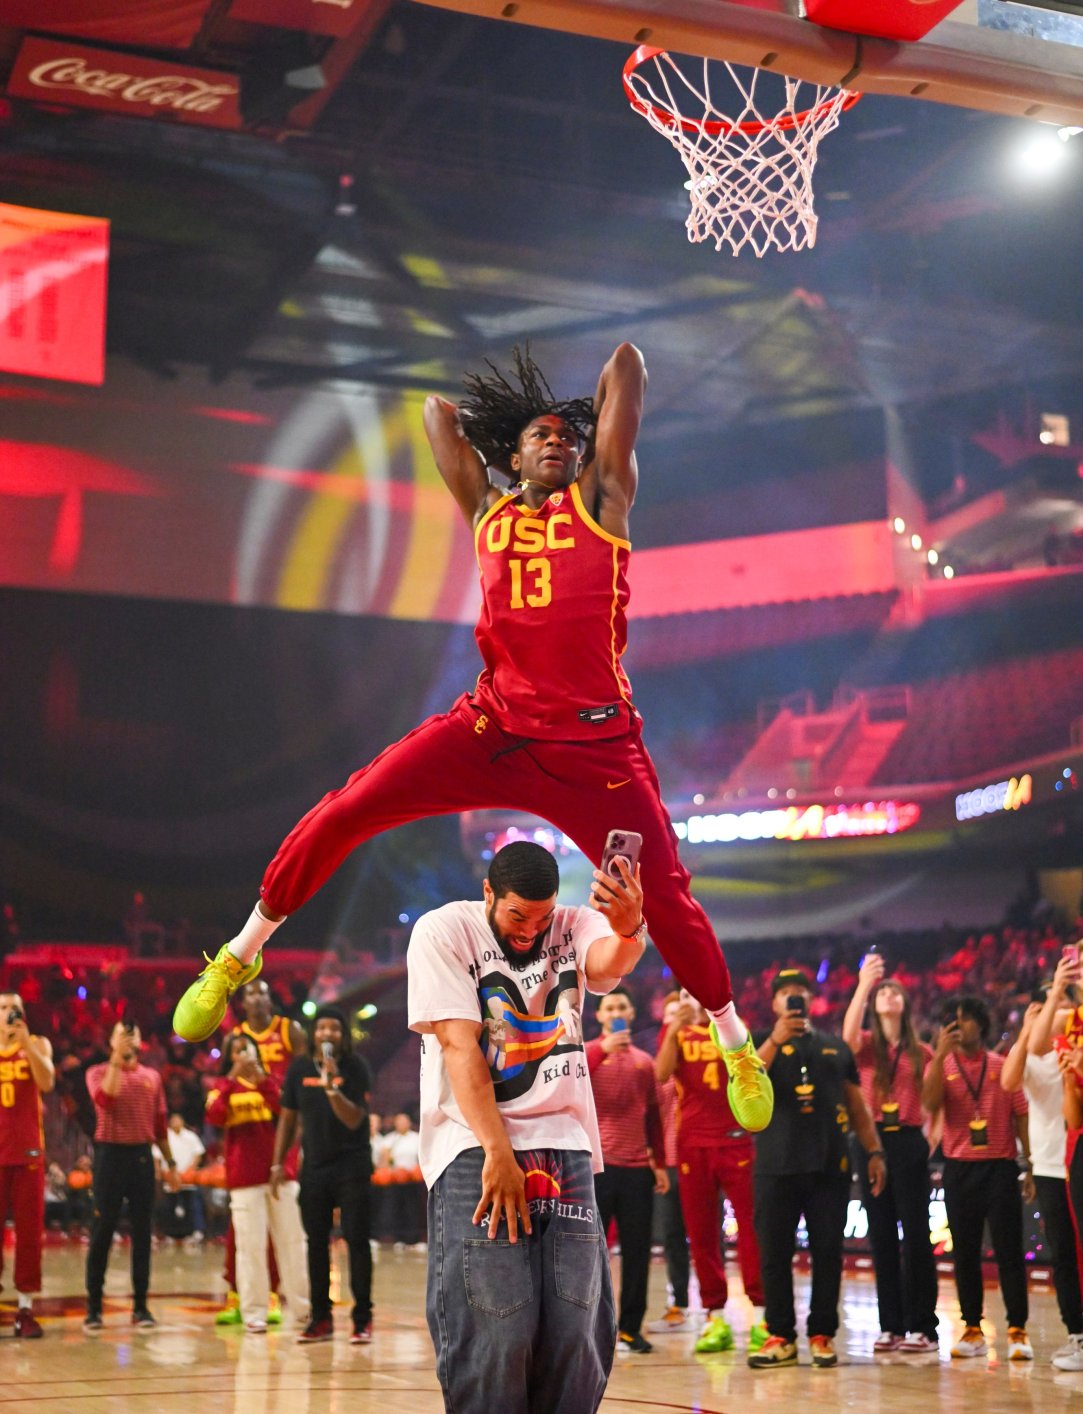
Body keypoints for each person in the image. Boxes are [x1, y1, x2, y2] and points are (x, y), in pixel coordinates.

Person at [172, 344, 771, 1136]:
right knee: (350, 807)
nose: (557, 441)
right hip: (489, 728)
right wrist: (510, 435)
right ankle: (239, 952)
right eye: (540, 436)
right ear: (512, 457)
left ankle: (734, 1045)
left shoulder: (604, 497)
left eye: (567, 436)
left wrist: (576, 425)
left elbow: (626, 365)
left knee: (663, 894)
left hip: (592, 750)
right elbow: (436, 416)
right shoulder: (487, 509)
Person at [407, 838, 649, 1413]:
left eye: (542, 918)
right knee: (496, 1329)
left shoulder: (572, 923)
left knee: (577, 1331)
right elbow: (459, 1048)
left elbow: (610, 960)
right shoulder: (444, 931)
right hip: (475, 1145)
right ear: (488, 892)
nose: (530, 931)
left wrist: (631, 924)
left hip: (565, 1144)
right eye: (517, 915)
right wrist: (497, 1150)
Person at [748, 969, 886, 1370]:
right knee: (774, 1254)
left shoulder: (834, 1048)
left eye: (801, 993)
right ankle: (780, 1335)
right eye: (787, 994)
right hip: (775, 1167)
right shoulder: (757, 1042)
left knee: (827, 1252)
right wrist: (776, 1039)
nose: (795, 999)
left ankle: (822, 1334)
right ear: (774, 1003)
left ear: (812, 1001)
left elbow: (856, 1105)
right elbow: (747, 1080)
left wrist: (875, 1151)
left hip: (829, 1167)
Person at [655, 988, 765, 1355]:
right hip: (692, 1143)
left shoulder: (731, 1025)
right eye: (685, 994)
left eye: (696, 993)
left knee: (751, 1228)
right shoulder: (676, 1031)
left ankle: (763, 1315)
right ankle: (714, 1316)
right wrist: (672, 1030)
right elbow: (661, 1073)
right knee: (701, 1232)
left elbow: (752, 1069)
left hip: (735, 1139)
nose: (692, 1000)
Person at [923, 994, 1033, 1361]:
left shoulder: (1004, 1065)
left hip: (1000, 1166)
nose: (959, 1027)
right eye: (952, 1021)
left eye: (966, 1019)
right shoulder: (942, 1065)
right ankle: (972, 1328)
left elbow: (1021, 1116)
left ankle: (1018, 1329)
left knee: (1009, 1251)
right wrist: (938, 1057)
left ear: (982, 1024)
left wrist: (1029, 1164)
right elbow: (930, 1103)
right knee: (965, 1253)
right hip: (959, 1168)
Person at [841, 953, 938, 1354]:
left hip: (910, 1139)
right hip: (872, 1141)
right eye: (883, 991)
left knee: (917, 1234)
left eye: (894, 990)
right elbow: (844, 1040)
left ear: (906, 1003)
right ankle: (890, 1326)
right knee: (880, 1234)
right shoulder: (863, 1045)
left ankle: (924, 1328)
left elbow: (935, 1104)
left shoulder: (924, 1052)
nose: (888, 995)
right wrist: (864, 983)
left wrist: (929, 1141)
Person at [272, 1005, 373, 1344]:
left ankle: (362, 1318)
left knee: (357, 1241)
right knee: (315, 1244)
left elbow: (354, 1119)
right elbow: (287, 1118)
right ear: (313, 1034)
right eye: (322, 1028)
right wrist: (276, 1164)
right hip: (314, 1167)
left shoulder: (356, 1068)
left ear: (343, 1036)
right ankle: (320, 1318)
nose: (328, 1034)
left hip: (353, 1166)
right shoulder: (299, 1068)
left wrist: (332, 1088)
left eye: (335, 1029)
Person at [216, 980, 306, 1326]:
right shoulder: (234, 1039)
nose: (256, 998)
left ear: (271, 999)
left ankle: (297, 1304)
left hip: (282, 1136)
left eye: (262, 992)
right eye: (250, 993)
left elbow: (301, 1084)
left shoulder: (289, 1030)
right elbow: (219, 1095)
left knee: (290, 1233)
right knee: (244, 1234)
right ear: (241, 1002)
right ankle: (244, 1298)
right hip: (246, 1142)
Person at [1002, 983, 1083, 1367]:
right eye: (1050, 1001)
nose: (1057, 1010)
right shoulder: (1034, 1056)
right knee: (1064, 1254)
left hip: (1076, 1158)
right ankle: (1077, 1333)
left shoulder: (1075, 1049)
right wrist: (1024, 1032)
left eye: (1064, 1001)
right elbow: (1007, 1082)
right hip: (1051, 1166)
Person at [586, 985, 668, 1355]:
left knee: (637, 1252)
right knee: (590, 1252)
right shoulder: (586, 1055)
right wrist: (603, 1050)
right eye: (609, 1006)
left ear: (631, 1014)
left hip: (637, 1169)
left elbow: (654, 1117)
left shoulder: (645, 1062)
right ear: (600, 1016)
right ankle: (589, 1327)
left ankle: (631, 1328)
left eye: (622, 1005)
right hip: (597, 1169)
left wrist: (660, 1162)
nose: (616, 1010)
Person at [84, 1021, 174, 1332]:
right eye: (121, 1033)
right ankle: (94, 1307)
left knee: (142, 1232)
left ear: (141, 1040)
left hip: (141, 1156)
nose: (127, 1039)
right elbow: (106, 1098)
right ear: (110, 1039)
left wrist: (171, 1163)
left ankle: (141, 1306)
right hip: (109, 1156)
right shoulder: (96, 1072)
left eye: (132, 1034)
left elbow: (160, 1124)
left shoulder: (152, 1077)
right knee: (102, 1231)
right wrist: (115, 1060)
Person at [0, 992, 55, 1338]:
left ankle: (25, 1308)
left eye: (14, 1007)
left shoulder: (37, 1043)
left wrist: (25, 1043)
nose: (9, 1012)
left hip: (27, 1153)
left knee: (30, 1233)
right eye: (3, 1007)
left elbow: (47, 1081)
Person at [645, 992, 692, 1336]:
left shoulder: (705, 1057)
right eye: (671, 1013)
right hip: (669, 1161)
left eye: (683, 1012)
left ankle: (714, 1306)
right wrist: (653, 1156)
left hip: (700, 1156)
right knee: (673, 1237)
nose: (679, 1017)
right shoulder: (655, 1066)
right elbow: (649, 1116)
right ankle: (679, 1304)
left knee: (707, 1238)